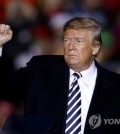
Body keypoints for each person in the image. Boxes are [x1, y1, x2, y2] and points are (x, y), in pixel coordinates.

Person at [0, 17, 120, 134]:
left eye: (78, 41)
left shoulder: (116, 85)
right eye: (67, 40)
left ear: (95, 48)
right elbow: (3, 87)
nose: (71, 47)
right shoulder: (40, 69)